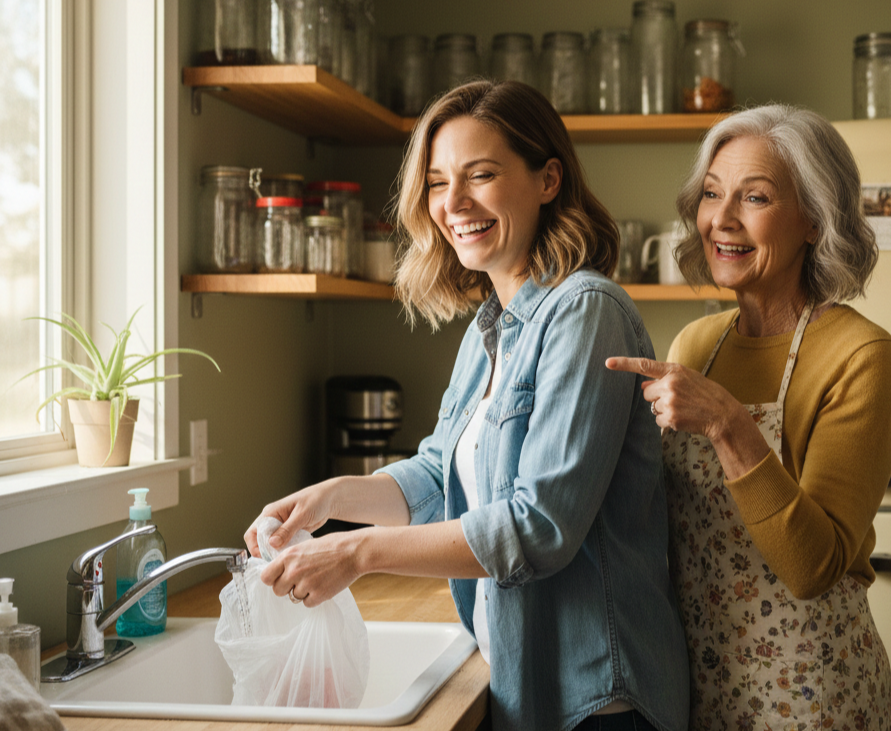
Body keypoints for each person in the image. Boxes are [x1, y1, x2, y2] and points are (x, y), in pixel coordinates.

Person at [244, 80, 690, 731]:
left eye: (480, 175)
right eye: (436, 181)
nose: (453, 203)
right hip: (525, 673)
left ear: (547, 179)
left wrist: (358, 554)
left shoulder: (586, 310)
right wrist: (330, 499)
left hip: (598, 696)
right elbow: (436, 472)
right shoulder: (493, 327)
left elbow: (539, 526)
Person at [608, 104, 891, 730]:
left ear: (815, 220)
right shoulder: (695, 345)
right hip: (697, 679)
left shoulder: (861, 355)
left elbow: (813, 567)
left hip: (812, 691)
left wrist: (729, 424)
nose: (722, 219)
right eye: (712, 193)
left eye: (756, 197)